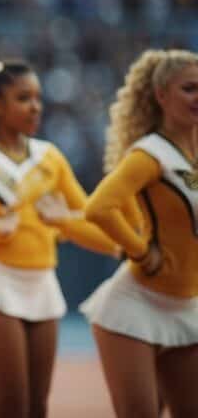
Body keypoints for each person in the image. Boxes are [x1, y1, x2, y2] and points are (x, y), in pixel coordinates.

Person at [0, 57, 121, 418]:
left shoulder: (49, 156)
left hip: (43, 285)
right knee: (11, 409)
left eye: (37, 98)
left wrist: (124, 247)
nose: (35, 107)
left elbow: (92, 216)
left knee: (37, 408)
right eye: (23, 98)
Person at [80, 49, 198, 418]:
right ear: (162, 95)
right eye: (190, 89)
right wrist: (141, 251)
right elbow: (98, 207)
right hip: (135, 307)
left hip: (188, 306)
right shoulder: (151, 154)